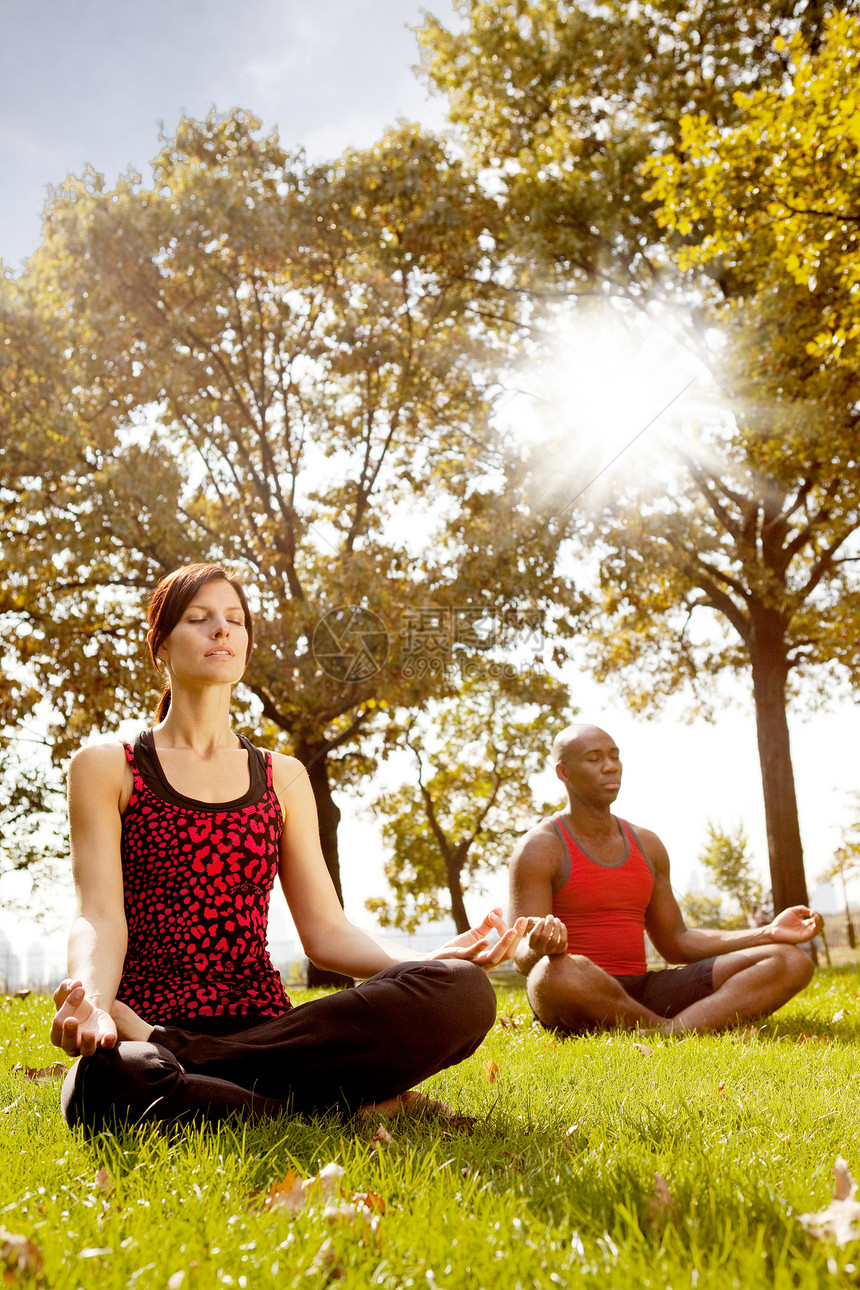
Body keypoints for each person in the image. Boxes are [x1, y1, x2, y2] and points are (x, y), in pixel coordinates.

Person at [52, 563, 526, 1133]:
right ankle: (334, 1108)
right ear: (160, 646)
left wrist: (424, 966)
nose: (220, 631)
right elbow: (99, 914)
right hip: (141, 1029)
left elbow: (326, 933)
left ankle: (228, 1083)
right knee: (107, 1083)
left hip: (275, 1031)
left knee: (463, 991)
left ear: (247, 645)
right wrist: (94, 1001)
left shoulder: (283, 777)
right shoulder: (106, 766)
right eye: (198, 619)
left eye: (234, 620)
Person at [509, 724, 822, 1035]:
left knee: (791, 960)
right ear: (563, 772)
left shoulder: (647, 844)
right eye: (594, 759)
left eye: (615, 757)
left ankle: (665, 1032)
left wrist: (768, 933)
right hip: (577, 986)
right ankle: (676, 1029)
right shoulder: (539, 847)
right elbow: (521, 957)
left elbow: (677, 941)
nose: (610, 767)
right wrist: (537, 946)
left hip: (644, 990)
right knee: (552, 975)